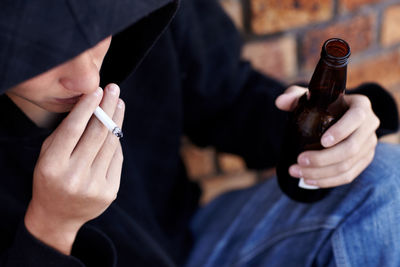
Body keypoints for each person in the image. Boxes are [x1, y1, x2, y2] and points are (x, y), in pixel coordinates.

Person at [1, 0, 399, 266]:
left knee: (386, 178)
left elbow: (231, 99)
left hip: (193, 246)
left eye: (97, 31)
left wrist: (340, 130)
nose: (89, 77)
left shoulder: (144, 16)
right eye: (44, 57)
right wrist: (51, 228)